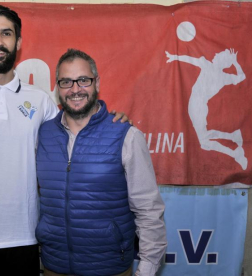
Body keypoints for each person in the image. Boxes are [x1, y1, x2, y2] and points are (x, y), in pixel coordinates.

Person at [0, 6, 128, 276]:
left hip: (25, 241)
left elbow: (78, 127)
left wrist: (112, 120)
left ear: (18, 43)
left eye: (6, 34)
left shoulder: (41, 100)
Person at [36, 49, 167, 276]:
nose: (75, 89)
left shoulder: (126, 135)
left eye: (83, 80)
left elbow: (149, 210)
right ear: (57, 87)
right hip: (53, 266)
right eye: (66, 82)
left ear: (96, 83)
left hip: (109, 268)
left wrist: (147, 270)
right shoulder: (42, 134)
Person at [165, 49, 247, 170]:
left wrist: (174, 57)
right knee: (204, 138)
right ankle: (233, 138)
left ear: (222, 61)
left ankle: (235, 151)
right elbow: (241, 76)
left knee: (204, 141)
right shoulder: (224, 76)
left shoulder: (211, 68)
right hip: (198, 106)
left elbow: (190, 59)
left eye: (219, 54)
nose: (215, 53)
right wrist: (235, 62)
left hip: (198, 106)